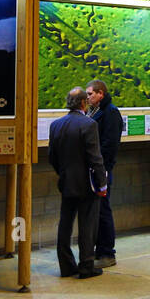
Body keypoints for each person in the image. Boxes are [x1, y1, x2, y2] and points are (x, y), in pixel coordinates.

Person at [48, 87, 109, 278]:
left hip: (66, 182)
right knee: (87, 225)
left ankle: (66, 266)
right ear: (83, 103)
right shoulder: (88, 124)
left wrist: (63, 173)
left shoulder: (56, 125)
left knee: (65, 225)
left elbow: (52, 157)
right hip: (86, 185)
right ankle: (86, 266)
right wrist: (102, 183)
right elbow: (95, 158)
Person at [86, 78, 123, 268]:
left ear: (101, 93)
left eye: (90, 93)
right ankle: (99, 250)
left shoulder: (110, 113)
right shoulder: (96, 111)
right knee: (98, 210)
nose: (88, 97)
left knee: (103, 209)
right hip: (97, 168)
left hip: (103, 169)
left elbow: (110, 144)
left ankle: (108, 252)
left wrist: (102, 167)